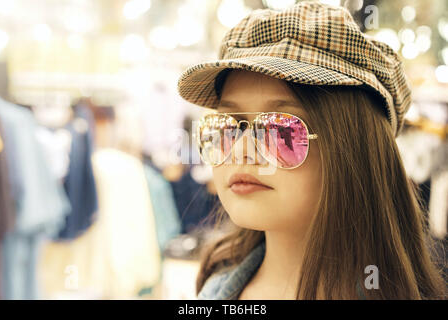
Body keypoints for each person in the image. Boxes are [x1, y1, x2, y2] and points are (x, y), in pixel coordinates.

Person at [176, 1, 446, 300]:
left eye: (280, 130)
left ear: (354, 149)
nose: (240, 151)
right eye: (229, 126)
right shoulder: (215, 284)